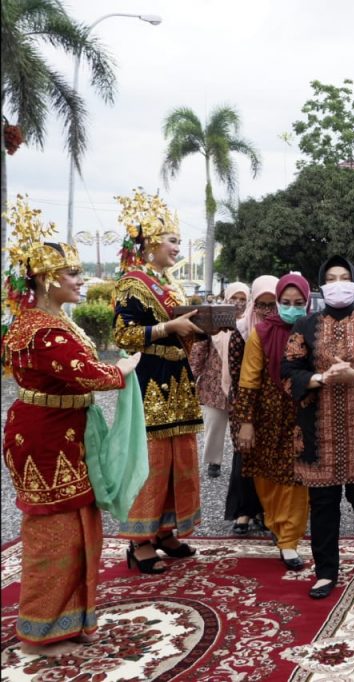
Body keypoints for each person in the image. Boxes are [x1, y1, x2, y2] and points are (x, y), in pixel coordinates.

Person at [2, 205, 140, 651]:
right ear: (46, 279)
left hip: (53, 429)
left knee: (74, 524)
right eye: (73, 273)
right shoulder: (45, 331)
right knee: (56, 531)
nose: (82, 280)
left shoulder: (44, 322)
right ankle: (42, 627)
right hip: (48, 440)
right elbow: (87, 374)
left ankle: (68, 619)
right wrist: (123, 368)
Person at [281, 256, 354, 600]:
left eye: (345, 277)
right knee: (323, 503)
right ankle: (326, 571)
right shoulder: (305, 327)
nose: (339, 282)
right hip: (318, 430)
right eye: (332, 278)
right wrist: (317, 378)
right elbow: (288, 372)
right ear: (321, 285)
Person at [113, 189, 204, 574]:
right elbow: (124, 335)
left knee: (177, 460)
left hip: (178, 380)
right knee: (150, 462)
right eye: (172, 241)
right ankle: (139, 541)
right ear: (150, 243)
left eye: (179, 242)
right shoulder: (131, 283)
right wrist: (170, 326)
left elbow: (179, 329)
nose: (177, 248)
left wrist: (199, 329)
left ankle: (166, 531)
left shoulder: (169, 284)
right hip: (149, 379)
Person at [235, 273, 312, 572]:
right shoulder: (262, 332)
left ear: (307, 303)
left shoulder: (311, 329)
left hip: (301, 413)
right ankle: (277, 526)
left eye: (299, 302)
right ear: (277, 302)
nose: (292, 307)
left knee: (295, 478)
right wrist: (246, 421)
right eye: (286, 302)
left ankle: (289, 540)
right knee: (267, 476)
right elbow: (249, 379)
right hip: (266, 415)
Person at [225, 275, 276, 535]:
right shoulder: (241, 331)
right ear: (253, 304)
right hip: (245, 404)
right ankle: (244, 512)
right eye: (261, 305)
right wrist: (245, 414)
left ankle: (268, 511)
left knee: (270, 459)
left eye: (272, 305)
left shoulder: (286, 329)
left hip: (276, 406)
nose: (266, 311)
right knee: (245, 456)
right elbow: (236, 376)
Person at [189, 281, 249, 479]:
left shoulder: (251, 325)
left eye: (243, 299)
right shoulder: (213, 322)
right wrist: (192, 376)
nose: (238, 303)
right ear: (226, 298)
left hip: (241, 385)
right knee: (214, 426)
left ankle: (242, 462)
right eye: (234, 298)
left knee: (242, 426)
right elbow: (199, 350)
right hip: (213, 383)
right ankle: (213, 462)